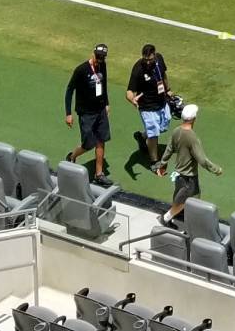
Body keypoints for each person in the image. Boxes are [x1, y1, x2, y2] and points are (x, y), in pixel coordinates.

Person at [159, 102, 223, 225]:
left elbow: (169, 149)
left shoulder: (177, 131)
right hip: (189, 178)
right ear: (194, 119)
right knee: (185, 201)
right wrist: (216, 169)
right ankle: (166, 218)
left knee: (181, 196)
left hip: (178, 174)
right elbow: (202, 160)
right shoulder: (192, 137)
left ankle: (183, 217)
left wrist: (163, 164)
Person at [64, 44, 113, 178]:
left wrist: (106, 103)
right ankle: (72, 156)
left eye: (102, 57)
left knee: (101, 140)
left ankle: (99, 173)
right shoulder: (81, 70)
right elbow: (69, 90)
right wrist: (68, 113)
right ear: (93, 54)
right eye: (98, 57)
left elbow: (104, 84)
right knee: (88, 144)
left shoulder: (103, 65)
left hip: (100, 110)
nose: (99, 60)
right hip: (86, 113)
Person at [124, 43, 171, 180]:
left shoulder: (160, 60)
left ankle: (141, 137)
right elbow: (129, 91)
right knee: (154, 133)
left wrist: (168, 90)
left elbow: (164, 75)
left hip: (161, 102)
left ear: (155, 55)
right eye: (146, 59)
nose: (148, 62)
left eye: (150, 59)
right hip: (147, 107)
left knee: (163, 127)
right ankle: (154, 162)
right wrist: (132, 99)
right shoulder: (138, 68)